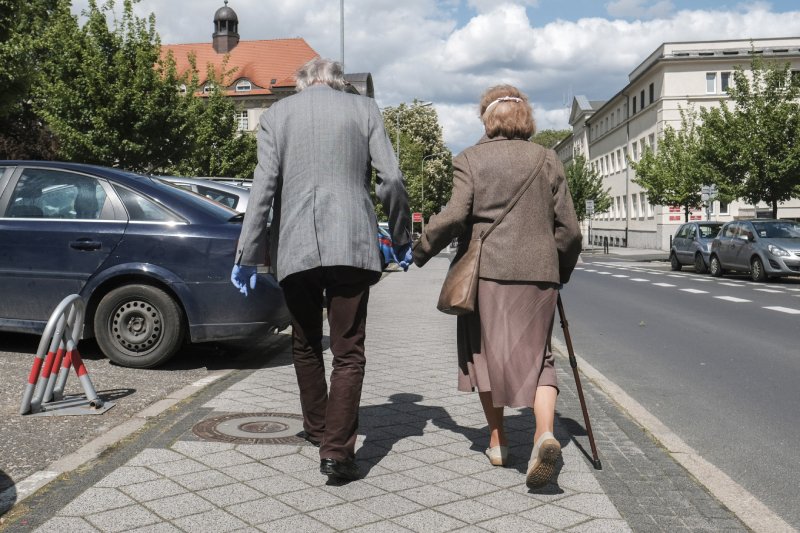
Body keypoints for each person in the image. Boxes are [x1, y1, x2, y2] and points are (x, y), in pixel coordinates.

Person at [231, 57, 412, 481]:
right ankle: (337, 452)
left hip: (295, 246)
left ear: (303, 84)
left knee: (306, 342)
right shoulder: (364, 109)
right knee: (348, 351)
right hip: (351, 242)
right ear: (338, 82)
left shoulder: (276, 115)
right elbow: (391, 179)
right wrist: (402, 238)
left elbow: (263, 187)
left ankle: (317, 429)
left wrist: (248, 253)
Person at [412, 85, 582, 489]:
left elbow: (455, 215)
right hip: (540, 274)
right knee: (540, 358)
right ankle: (544, 434)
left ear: (488, 120)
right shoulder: (548, 159)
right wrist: (559, 269)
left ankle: (498, 441)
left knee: (484, 354)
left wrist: (421, 249)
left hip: (486, 273)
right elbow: (570, 230)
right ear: (526, 118)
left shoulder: (470, 159)